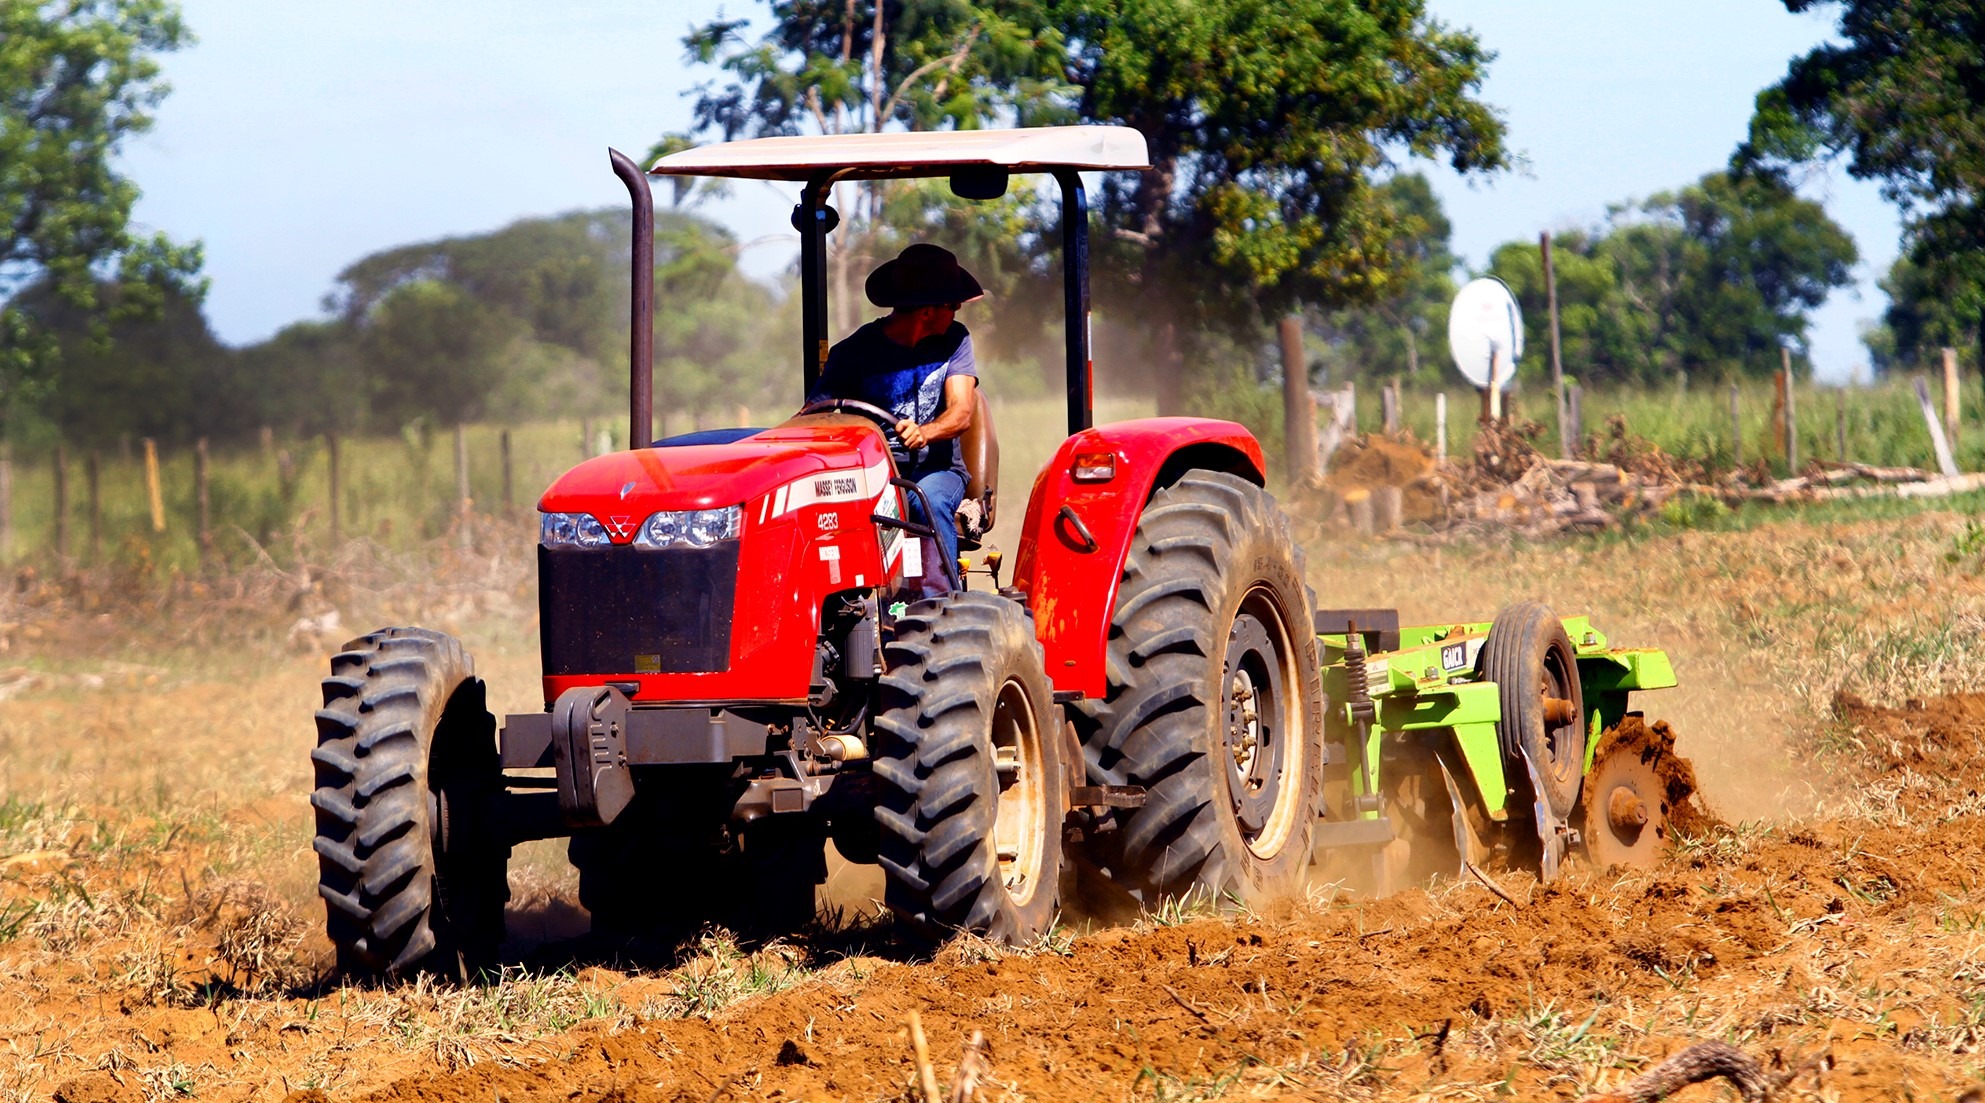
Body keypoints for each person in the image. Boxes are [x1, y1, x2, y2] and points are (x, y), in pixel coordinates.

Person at [808, 243, 981, 594]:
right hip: (870, 473)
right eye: (952, 303)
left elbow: (962, 411)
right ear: (927, 312)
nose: (958, 309)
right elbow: (814, 416)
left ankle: (941, 605)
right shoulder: (853, 353)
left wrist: (926, 432)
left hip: (936, 469)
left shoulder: (954, 340)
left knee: (925, 499)